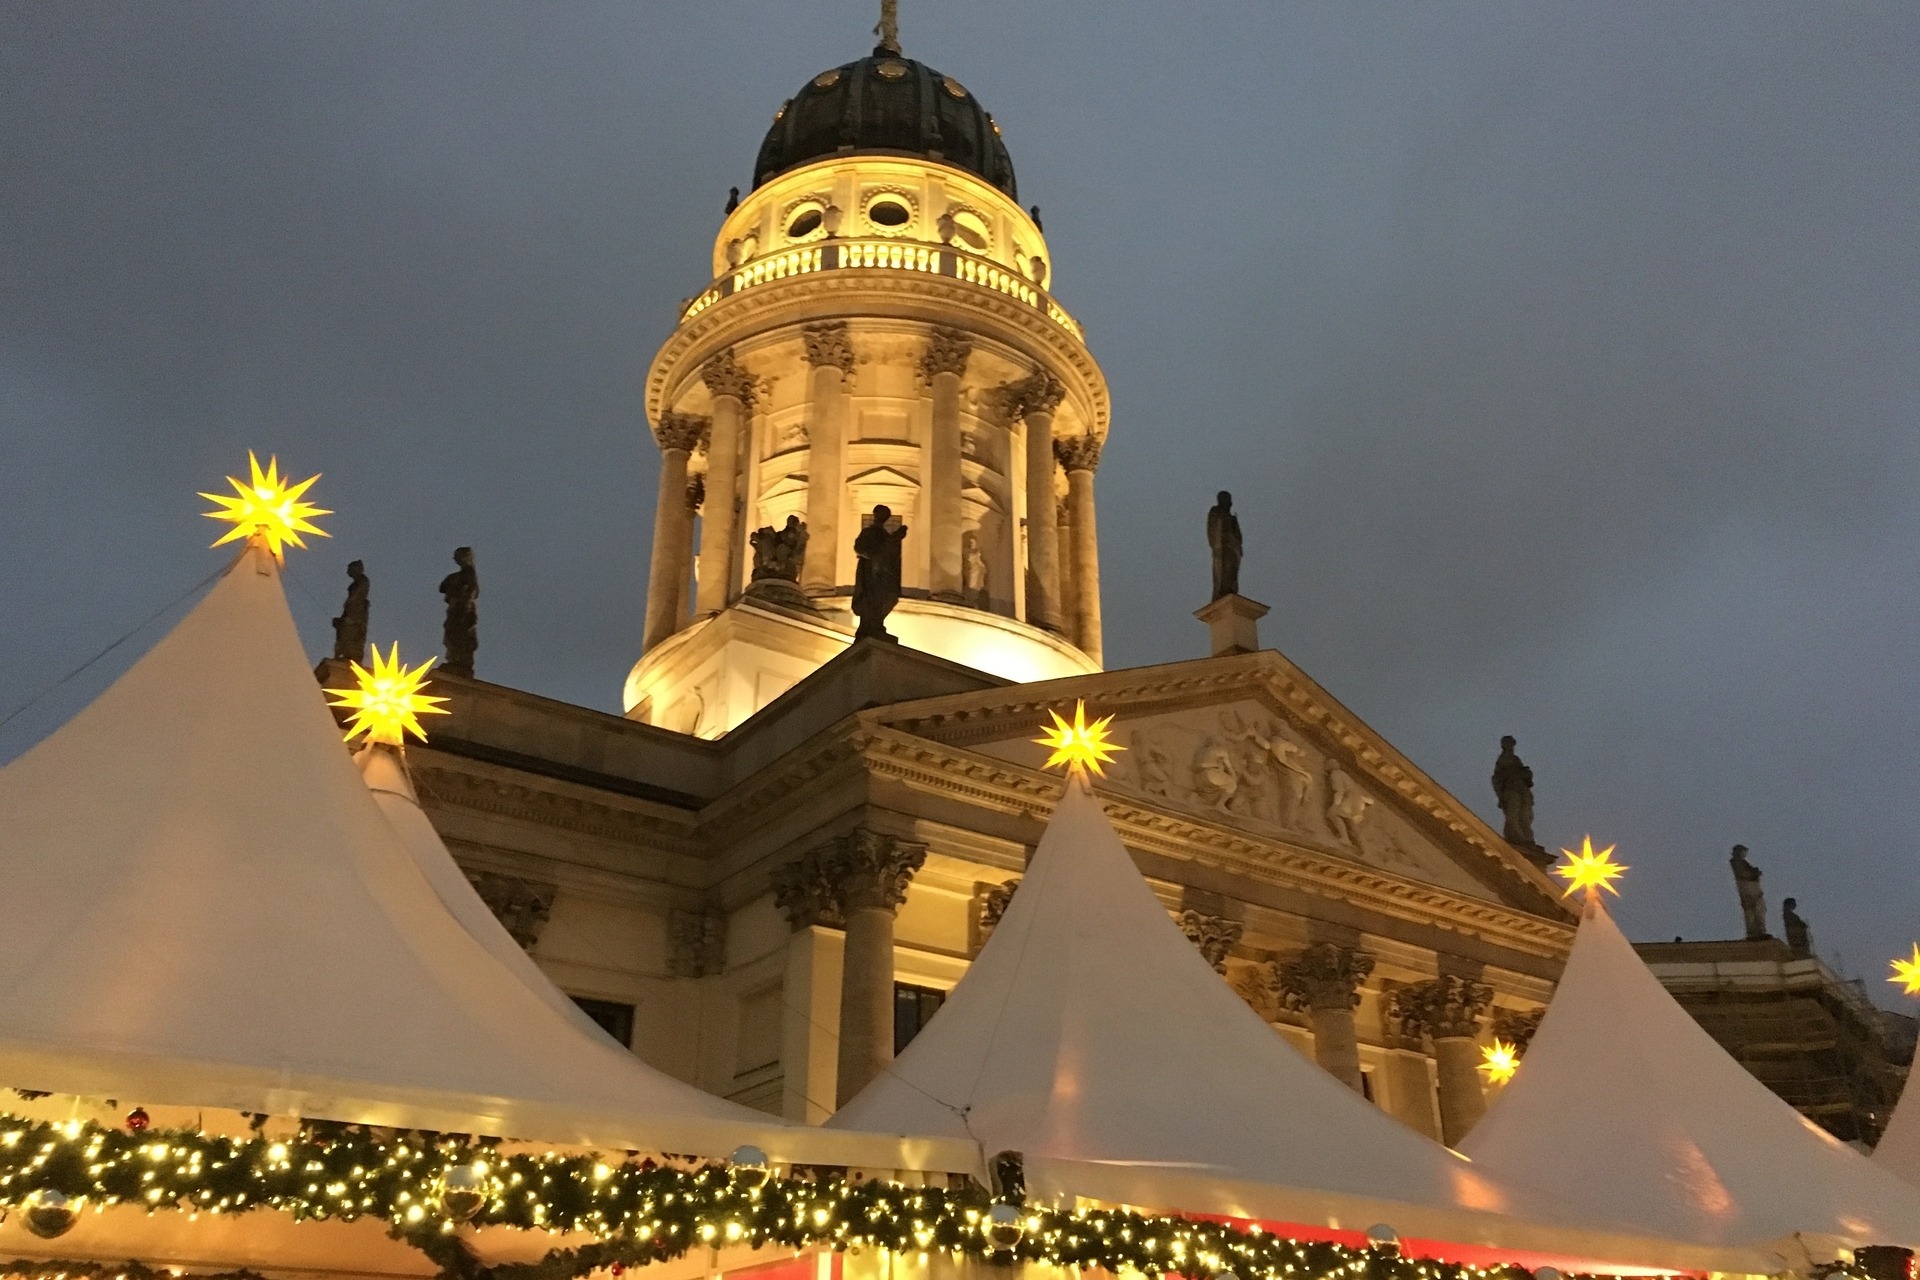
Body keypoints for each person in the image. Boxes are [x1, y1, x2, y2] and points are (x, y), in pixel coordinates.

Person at [852, 505, 908, 640]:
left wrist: (896, 538)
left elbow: (890, 555)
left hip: (882, 574)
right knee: (870, 598)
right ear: (876, 515)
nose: (882, 517)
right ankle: (868, 626)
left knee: (888, 597)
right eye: (880, 514)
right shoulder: (868, 532)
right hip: (869, 572)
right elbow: (859, 547)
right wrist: (872, 555)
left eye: (885, 515)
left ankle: (876, 624)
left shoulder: (885, 536)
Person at [439, 547, 478, 677]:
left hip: (462, 611)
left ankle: (459, 661)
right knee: (453, 634)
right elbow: (442, 587)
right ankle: (455, 660)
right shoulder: (458, 576)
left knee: (459, 635)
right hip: (457, 610)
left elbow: (470, 591)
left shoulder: (468, 576)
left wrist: (461, 601)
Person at [1206, 491, 1242, 600]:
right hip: (1222, 547)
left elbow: (1238, 537)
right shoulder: (1215, 511)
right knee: (1223, 570)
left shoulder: (1232, 518)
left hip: (1232, 548)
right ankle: (1222, 592)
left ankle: (1230, 589)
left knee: (1231, 571)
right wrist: (1216, 546)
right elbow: (1212, 529)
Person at [1729, 844, 1767, 941]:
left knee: (1757, 911)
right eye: (1744, 851)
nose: (1745, 854)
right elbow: (1744, 874)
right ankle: (1755, 932)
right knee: (1753, 911)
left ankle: (1757, 932)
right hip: (1749, 891)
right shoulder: (1737, 862)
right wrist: (1755, 873)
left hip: (1752, 890)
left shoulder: (1741, 862)